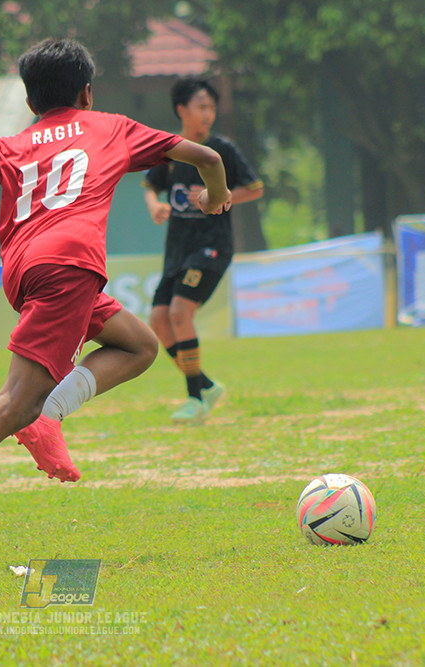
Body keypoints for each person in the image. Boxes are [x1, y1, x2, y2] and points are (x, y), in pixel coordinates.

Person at [0, 38, 230, 576]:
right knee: (16, 402)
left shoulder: (15, 144)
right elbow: (209, 157)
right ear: (86, 90)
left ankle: (45, 417)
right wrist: (217, 196)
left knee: (139, 344)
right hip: (70, 268)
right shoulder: (111, 127)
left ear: (31, 100)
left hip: (24, 270)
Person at [142, 76, 263, 424]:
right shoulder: (170, 149)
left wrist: (221, 195)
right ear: (182, 110)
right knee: (158, 321)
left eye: (212, 107)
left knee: (180, 312)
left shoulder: (221, 150)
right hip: (177, 249)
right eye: (201, 107)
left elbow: (253, 188)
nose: (208, 114)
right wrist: (154, 206)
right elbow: (150, 185)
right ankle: (206, 385)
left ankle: (195, 399)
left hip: (212, 246)